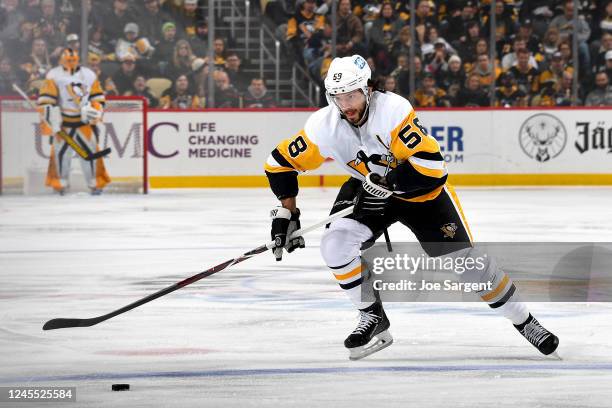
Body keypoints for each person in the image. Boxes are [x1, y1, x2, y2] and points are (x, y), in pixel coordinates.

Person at [263, 54, 559, 360]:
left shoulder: (393, 110)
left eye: (352, 96)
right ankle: (372, 315)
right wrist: (288, 212)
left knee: (468, 265)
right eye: (338, 98)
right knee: (335, 245)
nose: (346, 105)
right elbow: (279, 163)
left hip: (420, 194)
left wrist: (389, 183)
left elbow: (433, 168)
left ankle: (526, 322)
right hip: (366, 188)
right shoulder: (322, 126)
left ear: (367, 90)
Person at [37, 48, 110, 195]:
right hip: (63, 122)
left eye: (73, 60)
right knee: (60, 154)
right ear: (61, 60)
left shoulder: (89, 74)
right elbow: (46, 99)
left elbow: (98, 97)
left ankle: (96, 183)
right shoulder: (53, 75)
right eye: (68, 60)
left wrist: (94, 111)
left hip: (84, 122)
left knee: (90, 153)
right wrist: (50, 115)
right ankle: (59, 184)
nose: (71, 62)